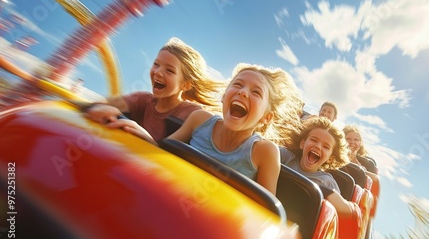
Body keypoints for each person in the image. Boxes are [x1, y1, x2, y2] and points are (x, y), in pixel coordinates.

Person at [107, 63, 304, 195]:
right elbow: (164, 152)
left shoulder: (265, 152)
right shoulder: (199, 120)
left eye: (256, 92)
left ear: (266, 118)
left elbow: (267, 215)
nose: (243, 92)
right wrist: (140, 134)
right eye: (238, 85)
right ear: (224, 97)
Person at [83, 37, 225, 142]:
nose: (158, 72)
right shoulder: (143, 100)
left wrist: (148, 139)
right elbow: (106, 102)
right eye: (156, 64)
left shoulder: (191, 114)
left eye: (169, 70)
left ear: (186, 85)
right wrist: (102, 107)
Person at [280, 116, 357, 215]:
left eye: (326, 146)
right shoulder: (286, 157)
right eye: (314, 140)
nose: (318, 146)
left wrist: (327, 193)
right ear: (302, 143)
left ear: (330, 158)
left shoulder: (327, 183)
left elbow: (340, 214)